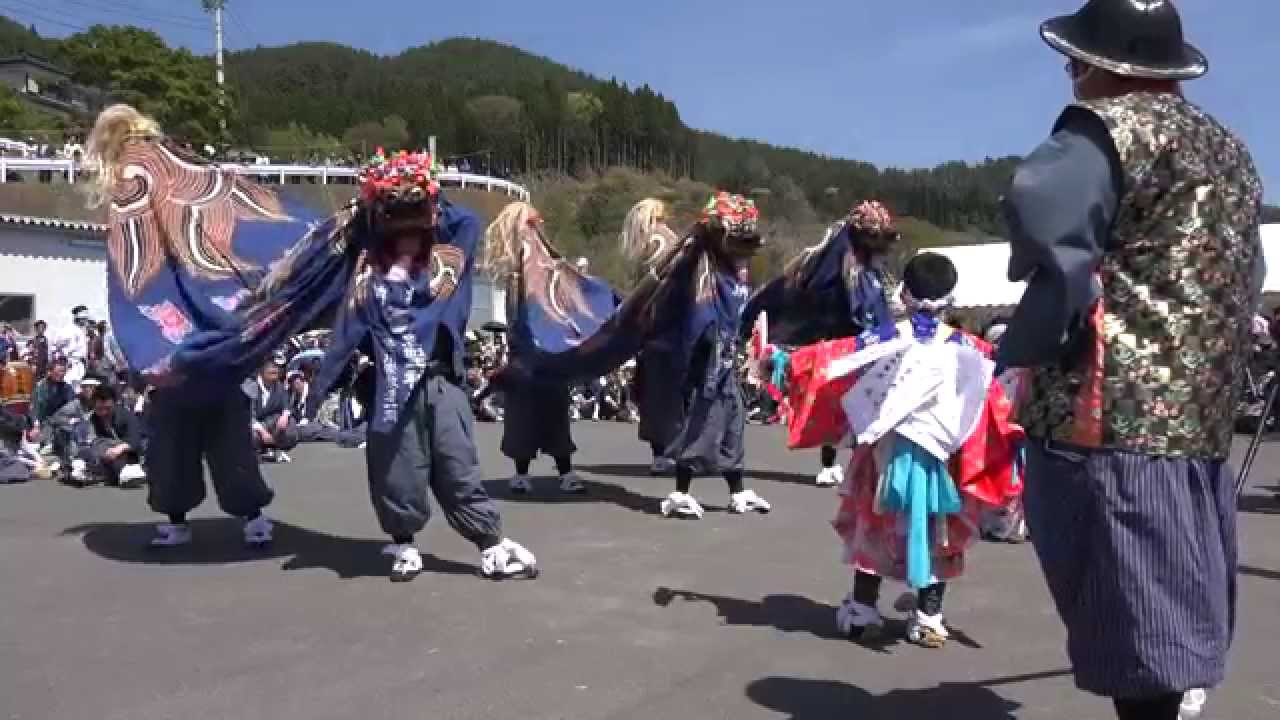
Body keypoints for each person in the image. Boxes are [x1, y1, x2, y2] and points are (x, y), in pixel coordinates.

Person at [1000, 3, 1262, 719]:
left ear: (1100, 64)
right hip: (1197, 413)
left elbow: (1052, 242)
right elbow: (1247, 273)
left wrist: (1027, 348)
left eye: (1077, 61)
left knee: (1128, 610)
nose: (1071, 72)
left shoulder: (1102, 131)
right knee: (1175, 596)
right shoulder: (1230, 150)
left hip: (1107, 411)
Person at [87, 104, 354, 550]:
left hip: (188, 356)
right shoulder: (164, 170)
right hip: (201, 355)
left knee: (211, 443)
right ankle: (215, 517)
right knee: (189, 446)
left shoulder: (155, 171)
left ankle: (226, 516)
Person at [310, 149, 538, 583]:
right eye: (396, 218)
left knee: (457, 462)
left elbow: (464, 220)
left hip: (440, 376)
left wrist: (424, 188)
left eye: (415, 216)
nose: (407, 229)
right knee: (397, 468)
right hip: (389, 381)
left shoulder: (450, 250)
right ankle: (404, 542)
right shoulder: (370, 263)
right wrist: (373, 199)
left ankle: (489, 543)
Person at [788, 253, 1021, 648]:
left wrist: (780, 361)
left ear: (905, 294)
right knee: (939, 532)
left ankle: (862, 611)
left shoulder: (882, 339)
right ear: (951, 298)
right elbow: (1004, 385)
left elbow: (829, 361)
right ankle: (928, 616)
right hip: (944, 459)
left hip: (883, 453)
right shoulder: (970, 348)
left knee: (873, 525)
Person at [510, 193, 773, 519]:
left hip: (723, 358)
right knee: (703, 423)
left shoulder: (730, 271)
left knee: (733, 423)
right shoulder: (696, 265)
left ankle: (737, 490)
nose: (745, 253)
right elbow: (673, 295)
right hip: (702, 357)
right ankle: (680, 492)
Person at [743, 201, 902, 487]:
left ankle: (861, 465)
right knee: (840, 407)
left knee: (865, 408)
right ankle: (834, 464)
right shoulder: (836, 267)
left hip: (866, 347)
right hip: (844, 349)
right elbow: (815, 302)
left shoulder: (869, 269)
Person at [482, 203, 617, 495]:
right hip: (526, 357)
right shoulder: (517, 273)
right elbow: (516, 316)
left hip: (550, 355)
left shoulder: (550, 267)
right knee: (522, 419)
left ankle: (563, 471)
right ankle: (524, 473)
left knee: (554, 415)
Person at [82, 383, 146, 488]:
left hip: (129, 453)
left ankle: (129, 472)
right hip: (105, 454)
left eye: (107, 408)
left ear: (114, 403)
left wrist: (119, 449)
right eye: (99, 408)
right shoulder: (93, 418)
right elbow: (91, 440)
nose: (103, 412)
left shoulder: (126, 416)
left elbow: (136, 441)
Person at [247, 360, 298, 463]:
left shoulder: (278, 385)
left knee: (290, 424)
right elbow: (248, 414)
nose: (275, 375)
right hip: (253, 423)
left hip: (270, 421)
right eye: (271, 373)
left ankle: (276, 447)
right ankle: (258, 451)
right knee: (252, 435)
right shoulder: (251, 386)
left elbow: (286, 404)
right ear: (262, 373)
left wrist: (284, 416)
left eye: (276, 372)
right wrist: (263, 432)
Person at [50, 306, 92, 386]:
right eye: (83, 319)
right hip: (70, 364)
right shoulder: (68, 330)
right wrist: (63, 361)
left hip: (79, 364)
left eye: (86, 319)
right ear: (78, 318)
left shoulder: (81, 330)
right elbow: (55, 346)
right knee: (68, 385)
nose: (85, 321)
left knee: (77, 386)